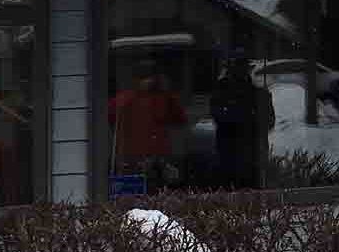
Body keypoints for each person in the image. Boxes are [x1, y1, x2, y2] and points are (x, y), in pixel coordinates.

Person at [109, 61, 190, 191]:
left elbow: (180, 119)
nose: (147, 82)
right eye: (143, 77)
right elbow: (111, 118)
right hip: (133, 156)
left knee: (160, 190)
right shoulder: (125, 99)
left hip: (159, 156)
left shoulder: (164, 97)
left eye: (150, 77)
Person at [208, 51, 274, 189]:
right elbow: (219, 115)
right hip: (237, 150)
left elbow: (267, 121)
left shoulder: (256, 93)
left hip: (244, 151)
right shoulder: (224, 90)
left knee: (241, 185)